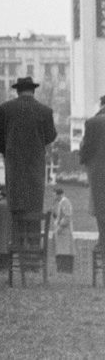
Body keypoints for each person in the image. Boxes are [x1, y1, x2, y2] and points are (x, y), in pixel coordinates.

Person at [0, 76, 57, 255]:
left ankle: (17, 251)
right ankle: (33, 254)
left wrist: (7, 149)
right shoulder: (45, 111)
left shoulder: (6, 109)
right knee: (34, 211)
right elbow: (51, 136)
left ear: (17, 90)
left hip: (14, 168)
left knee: (17, 212)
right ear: (33, 90)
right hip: (35, 168)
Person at [80, 96, 105, 253]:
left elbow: (85, 150)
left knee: (101, 206)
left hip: (99, 172)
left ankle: (103, 241)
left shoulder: (93, 123)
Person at [51, 186, 74, 273]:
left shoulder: (65, 202)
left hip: (64, 231)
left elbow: (67, 217)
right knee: (60, 251)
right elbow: (60, 216)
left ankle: (65, 270)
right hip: (61, 232)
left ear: (58, 194)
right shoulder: (61, 202)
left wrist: (60, 227)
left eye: (54, 195)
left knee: (65, 251)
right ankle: (61, 269)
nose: (54, 197)